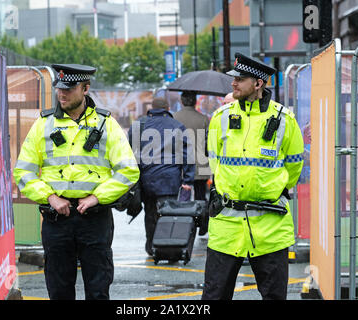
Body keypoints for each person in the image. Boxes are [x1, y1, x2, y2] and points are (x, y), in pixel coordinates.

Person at [13, 64, 139, 300]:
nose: (62, 93)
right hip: (56, 218)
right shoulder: (43, 124)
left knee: (98, 288)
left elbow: (129, 170)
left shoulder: (106, 124)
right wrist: (50, 197)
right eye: (59, 88)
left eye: (69, 89)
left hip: (95, 218)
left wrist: (96, 197)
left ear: (85, 88)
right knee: (59, 289)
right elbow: (23, 172)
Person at [202, 52, 304, 300]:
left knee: (274, 297)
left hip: (270, 228)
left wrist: (266, 189)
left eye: (241, 79)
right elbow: (216, 162)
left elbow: (293, 168)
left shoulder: (284, 120)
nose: (233, 83)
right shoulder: (220, 117)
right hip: (226, 227)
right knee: (214, 297)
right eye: (234, 79)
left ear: (258, 83)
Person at [128, 97, 195, 256]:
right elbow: (188, 155)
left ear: (151, 108)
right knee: (169, 214)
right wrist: (188, 179)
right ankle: (168, 247)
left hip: (146, 179)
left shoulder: (139, 126)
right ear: (167, 108)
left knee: (150, 213)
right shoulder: (177, 126)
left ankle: (151, 247)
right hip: (170, 180)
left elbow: (129, 153)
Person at [173, 91, 210, 201]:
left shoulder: (174, 117)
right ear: (195, 101)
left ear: (182, 101)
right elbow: (208, 143)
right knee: (200, 196)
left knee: (179, 197)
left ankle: (181, 215)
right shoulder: (204, 119)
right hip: (200, 164)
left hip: (179, 165)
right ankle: (201, 217)